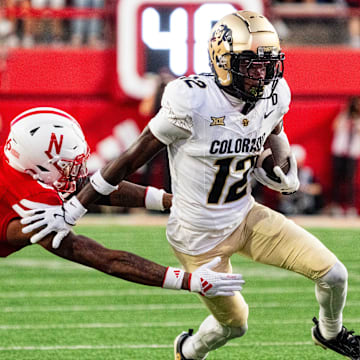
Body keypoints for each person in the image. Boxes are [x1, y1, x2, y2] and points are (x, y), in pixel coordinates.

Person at [17, 11, 360, 360]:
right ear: (223, 61)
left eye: (268, 65)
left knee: (334, 274)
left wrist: (285, 167)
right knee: (235, 324)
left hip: (246, 216)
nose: (262, 74)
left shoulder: (274, 94)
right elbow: (128, 159)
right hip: (198, 237)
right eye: (251, 64)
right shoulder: (193, 101)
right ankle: (189, 350)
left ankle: (329, 333)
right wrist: (75, 208)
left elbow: (275, 131)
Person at [2, 107, 245, 313]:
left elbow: (88, 187)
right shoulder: (35, 200)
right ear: (39, 167)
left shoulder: (22, 167)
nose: (76, 171)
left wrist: (173, 201)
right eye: (67, 165)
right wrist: (188, 281)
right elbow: (104, 259)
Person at [329, 96, 360, 217]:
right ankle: (336, 205)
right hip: (339, 151)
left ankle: (350, 207)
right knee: (337, 179)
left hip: (352, 153)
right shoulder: (343, 117)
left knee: (350, 181)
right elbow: (335, 127)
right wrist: (345, 112)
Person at [277, 144, 323, 215]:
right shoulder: (284, 174)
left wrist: (305, 189)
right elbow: (279, 195)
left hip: (306, 207)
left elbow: (318, 189)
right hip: (288, 208)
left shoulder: (307, 173)